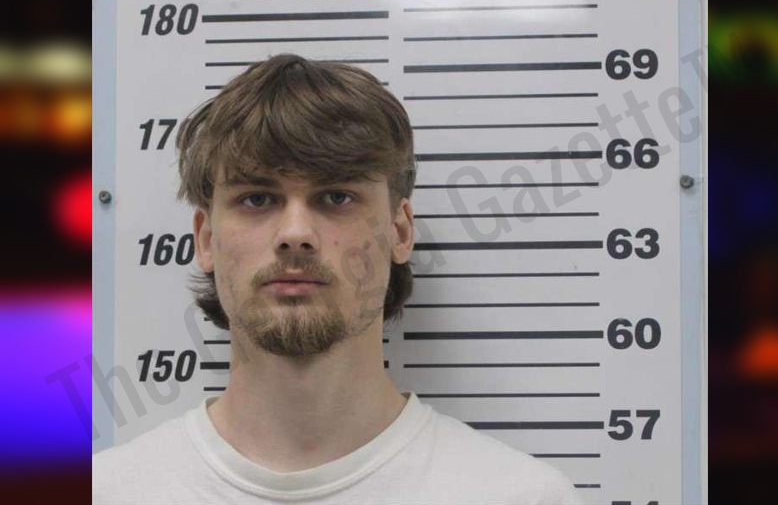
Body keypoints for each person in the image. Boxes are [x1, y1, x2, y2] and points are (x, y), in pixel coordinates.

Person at [92, 53, 584, 504]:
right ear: (205, 239)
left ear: (400, 231)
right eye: (257, 199)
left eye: (336, 197)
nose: (295, 234)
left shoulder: (524, 497)